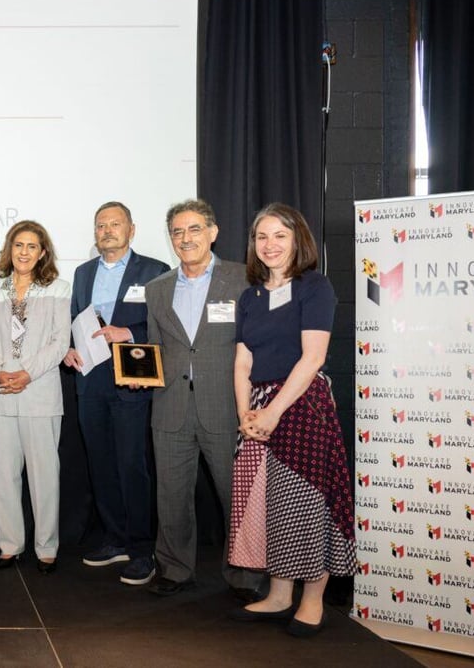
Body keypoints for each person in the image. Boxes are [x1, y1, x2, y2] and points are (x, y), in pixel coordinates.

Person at [227, 203, 355, 637]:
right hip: (259, 407)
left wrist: (273, 411)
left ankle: (312, 599)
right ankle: (280, 595)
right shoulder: (250, 295)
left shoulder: (313, 287)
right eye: (262, 236)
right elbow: (242, 360)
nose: (270, 245)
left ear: (297, 239)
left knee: (304, 505)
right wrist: (246, 412)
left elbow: (313, 357)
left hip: (300, 406)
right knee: (271, 507)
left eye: (280, 235)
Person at [144, 199, 265, 600]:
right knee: (171, 496)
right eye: (178, 231)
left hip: (227, 407)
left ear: (212, 233)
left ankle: (245, 575)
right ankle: (175, 569)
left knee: (237, 495)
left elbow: (258, 345)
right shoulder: (157, 289)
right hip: (170, 407)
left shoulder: (244, 278)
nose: (185, 238)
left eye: (194, 229)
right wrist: (142, 376)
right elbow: (157, 350)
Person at [63, 202, 168, 586]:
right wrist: (69, 348)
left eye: (115, 224)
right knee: (100, 463)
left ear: (132, 229)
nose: (107, 230)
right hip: (89, 379)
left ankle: (142, 548)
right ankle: (115, 538)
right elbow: (76, 317)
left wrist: (129, 334)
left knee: (132, 464)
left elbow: (166, 326)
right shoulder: (83, 272)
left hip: (133, 378)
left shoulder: (154, 271)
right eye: (101, 225)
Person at [0, 220, 71, 574]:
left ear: (42, 252)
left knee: (45, 475)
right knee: (3, 474)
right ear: (9, 250)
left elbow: (59, 342)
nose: (24, 252)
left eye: (32, 246)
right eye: (18, 245)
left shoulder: (59, 289)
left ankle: (47, 548)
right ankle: (9, 545)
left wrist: (26, 373)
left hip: (39, 392)